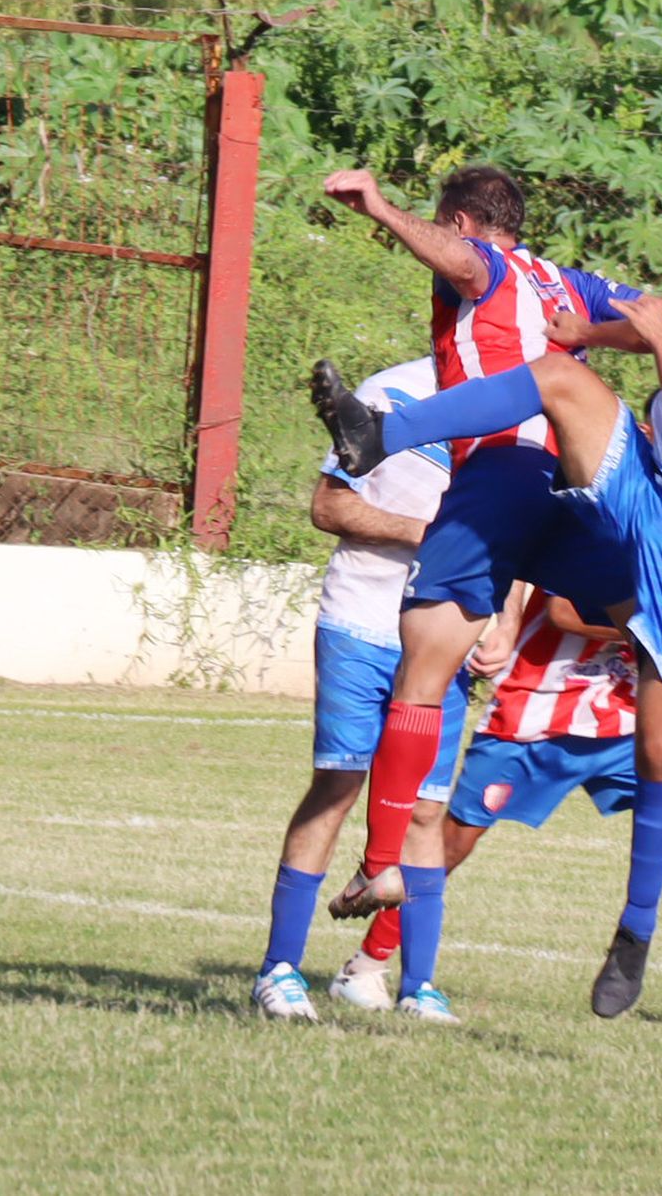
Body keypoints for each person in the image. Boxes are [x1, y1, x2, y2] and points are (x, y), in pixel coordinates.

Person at [313, 216, 662, 1016]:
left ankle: (636, 934)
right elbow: (657, 333)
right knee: (560, 377)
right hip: (646, 495)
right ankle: (381, 433)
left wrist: (659, 336)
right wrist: (589, 332)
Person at [314, 166, 643, 925]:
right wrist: (593, 333)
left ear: (461, 220)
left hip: (495, 477)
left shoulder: (484, 263)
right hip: (570, 489)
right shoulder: (569, 284)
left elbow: (467, 264)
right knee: (644, 619)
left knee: (421, 678)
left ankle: (380, 865)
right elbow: (649, 318)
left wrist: (380, 209)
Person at [343, 586, 662, 1019]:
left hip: (625, 715)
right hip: (537, 711)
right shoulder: (609, 514)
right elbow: (565, 609)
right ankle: (363, 968)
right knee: (447, 848)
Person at [252, 357, 492, 1023]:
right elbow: (328, 504)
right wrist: (425, 535)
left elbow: (523, 532)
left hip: (446, 638)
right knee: (336, 785)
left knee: (425, 813)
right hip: (363, 623)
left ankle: (412, 985)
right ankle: (279, 971)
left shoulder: (517, 403)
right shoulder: (391, 392)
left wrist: (510, 617)